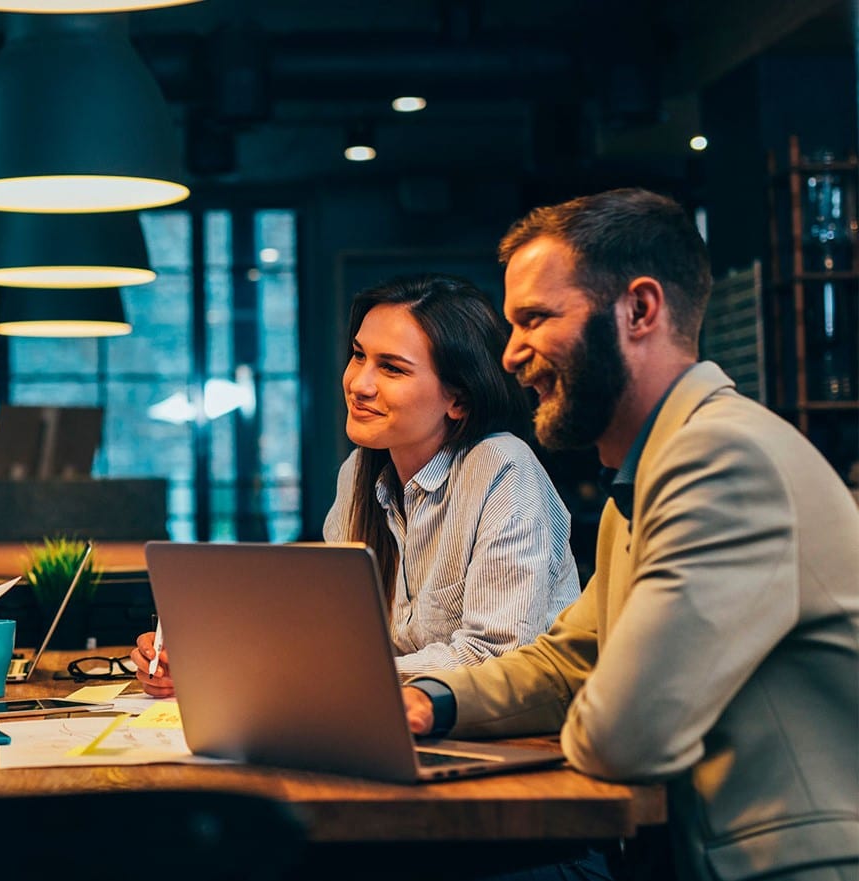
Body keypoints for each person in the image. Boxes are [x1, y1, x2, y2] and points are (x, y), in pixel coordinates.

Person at [401, 189, 858, 880]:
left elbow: (624, 736)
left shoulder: (721, 459)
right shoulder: (647, 471)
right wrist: (431, 700)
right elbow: (566, 662)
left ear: (639, 310)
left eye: (534, 320)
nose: (512, 355)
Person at [134, 275, 580, 694]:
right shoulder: (358, 475)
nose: (359, 383)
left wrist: (298, 672)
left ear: (458, 399)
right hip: (403, 724)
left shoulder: (502, 467)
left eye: (391, 368)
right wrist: (204, 660)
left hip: (513, 742)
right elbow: (332, 637)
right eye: (359, 355)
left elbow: (497, 656)